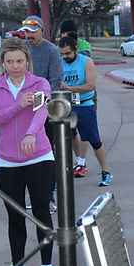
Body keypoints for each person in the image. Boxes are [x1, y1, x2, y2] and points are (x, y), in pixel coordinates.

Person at [0, 38, 56, 266]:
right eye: (10, 61)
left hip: (39, 156)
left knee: (41, 211)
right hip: (7, 160)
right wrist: (16, 106)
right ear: (2, 62)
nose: (15, 66)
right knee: (15, 215)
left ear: (27, 61)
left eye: (20, 61)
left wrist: (30, 134)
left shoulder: (40, 84)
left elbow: (41, 112)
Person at [18, 15, 62, 213]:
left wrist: (43, 103)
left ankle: (48, 196)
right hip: (22, 108)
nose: (29, 35)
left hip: (44, 107)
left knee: (45, 152)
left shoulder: (51, 50)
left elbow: (56, 79)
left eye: (33, 31)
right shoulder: (21, 50)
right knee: (26, 151)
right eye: (26, 32)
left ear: (43, 30)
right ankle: (31, 194)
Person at [58, 36, 112, 186]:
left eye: (68, 53)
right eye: (62, 54)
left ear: (75, 49)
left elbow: (90, 85)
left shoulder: (86, 62)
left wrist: (70, 88)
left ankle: (105, 172)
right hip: (66, 106)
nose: (65, 57)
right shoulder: (59, 62)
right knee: (63, 141)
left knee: (94, 140)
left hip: (84, 105)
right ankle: (65, 172)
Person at [58, 19, 92, 175]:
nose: (64, 36)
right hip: (67, 95)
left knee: (85, 129)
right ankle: (78, 159)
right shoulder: (60, 47)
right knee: (71, 130)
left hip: (83, 94)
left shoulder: (84, 45)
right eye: (63, 34)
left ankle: (82, 162)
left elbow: (80, 60)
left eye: (67, 33)